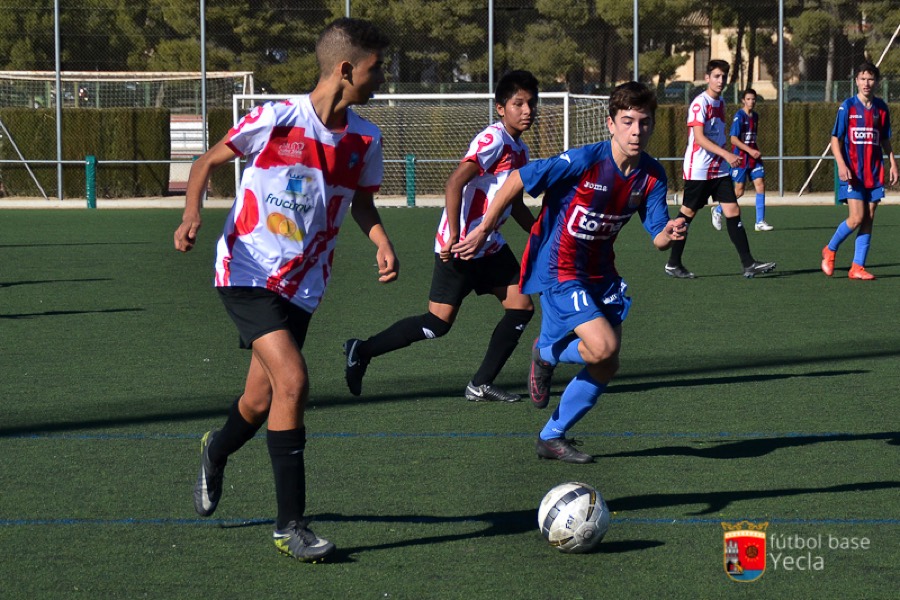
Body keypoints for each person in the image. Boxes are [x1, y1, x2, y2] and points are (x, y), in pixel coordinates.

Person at [173, 18, 398, 562]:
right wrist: (192, 213)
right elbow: (206, 161)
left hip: (304, 283)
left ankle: (216, 449)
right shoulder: (276, 119)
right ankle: (289, 526)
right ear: (346, 69)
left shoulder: (366, 139)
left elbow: (361, 201)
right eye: (375, 68)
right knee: (294, 378)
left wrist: (381, 241)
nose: (381, 79)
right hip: (245, 271)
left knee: (260, 397)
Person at [452, 82, 686, 463]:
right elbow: (516, 180)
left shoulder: (652, 176)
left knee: (608, 362)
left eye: (644, 123)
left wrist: (670, 232)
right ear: (610, 124)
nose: (635, 131)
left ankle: (551, 436)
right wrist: (483, 229)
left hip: (600, 272)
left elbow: (657, 237)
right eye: (627, 122)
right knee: (603, 346)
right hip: (558, 265)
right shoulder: (582, 161)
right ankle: (546, 352)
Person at [343, 70, 539, 403]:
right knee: (437, 324)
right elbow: (453, 183)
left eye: (532, 103)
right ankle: (361, 350)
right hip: (460, 247)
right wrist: (455, 236)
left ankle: (480, 384)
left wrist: (540, 232)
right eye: (518, 103)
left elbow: (514, 202)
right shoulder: (493, 140)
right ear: (500, 108)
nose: (527, 110)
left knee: (521, 308)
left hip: (490, 248)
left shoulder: (520, 150)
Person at [664, 59, 775, 279]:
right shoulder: (700, 103)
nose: (720, 80)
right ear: (707, 78)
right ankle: (673, 263)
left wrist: (723, 158)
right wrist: (726, 154)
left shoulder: (721, 102)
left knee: (733, 211)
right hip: (699, 170)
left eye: (723, 77)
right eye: (716, 76)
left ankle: (748, 263)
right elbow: (699, 138)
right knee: (686, 215)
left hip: (719, 169)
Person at [821, 61, 898, 280]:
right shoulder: (847, 106)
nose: (867, 83)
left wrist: (892, 162)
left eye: (871, 78)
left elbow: (884, 139)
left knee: (869, 217)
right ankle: (830, 249)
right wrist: (841, 164)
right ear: (856, 81)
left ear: (876, 82)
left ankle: (857, 267)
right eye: (862, 78)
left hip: (874, 173)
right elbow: (836, 138)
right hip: (853, 173)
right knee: (856, 217)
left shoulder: (881, 108)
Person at [711, 88, 772, 232]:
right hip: (741, 158)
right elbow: (733, 139)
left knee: (760, 184)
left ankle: (759, 222)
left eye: (753, 99)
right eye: (748, 99)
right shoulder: (739, 116)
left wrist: (753, 151)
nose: (751, 102)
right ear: (743, 100)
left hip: (753, 158)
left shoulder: (755, 116)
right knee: (739, 191)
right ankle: (718, 210)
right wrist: (749, 150)